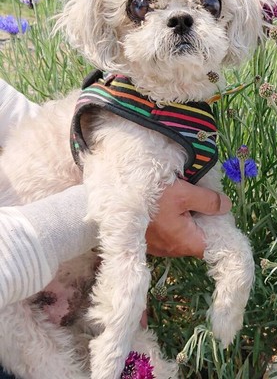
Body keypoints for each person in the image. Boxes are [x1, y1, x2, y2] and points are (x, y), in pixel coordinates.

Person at [0, 79, 231, 379]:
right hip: (14, 300)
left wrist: (87, 143)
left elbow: (17, 117)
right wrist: (129, 206)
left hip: (74, 263)